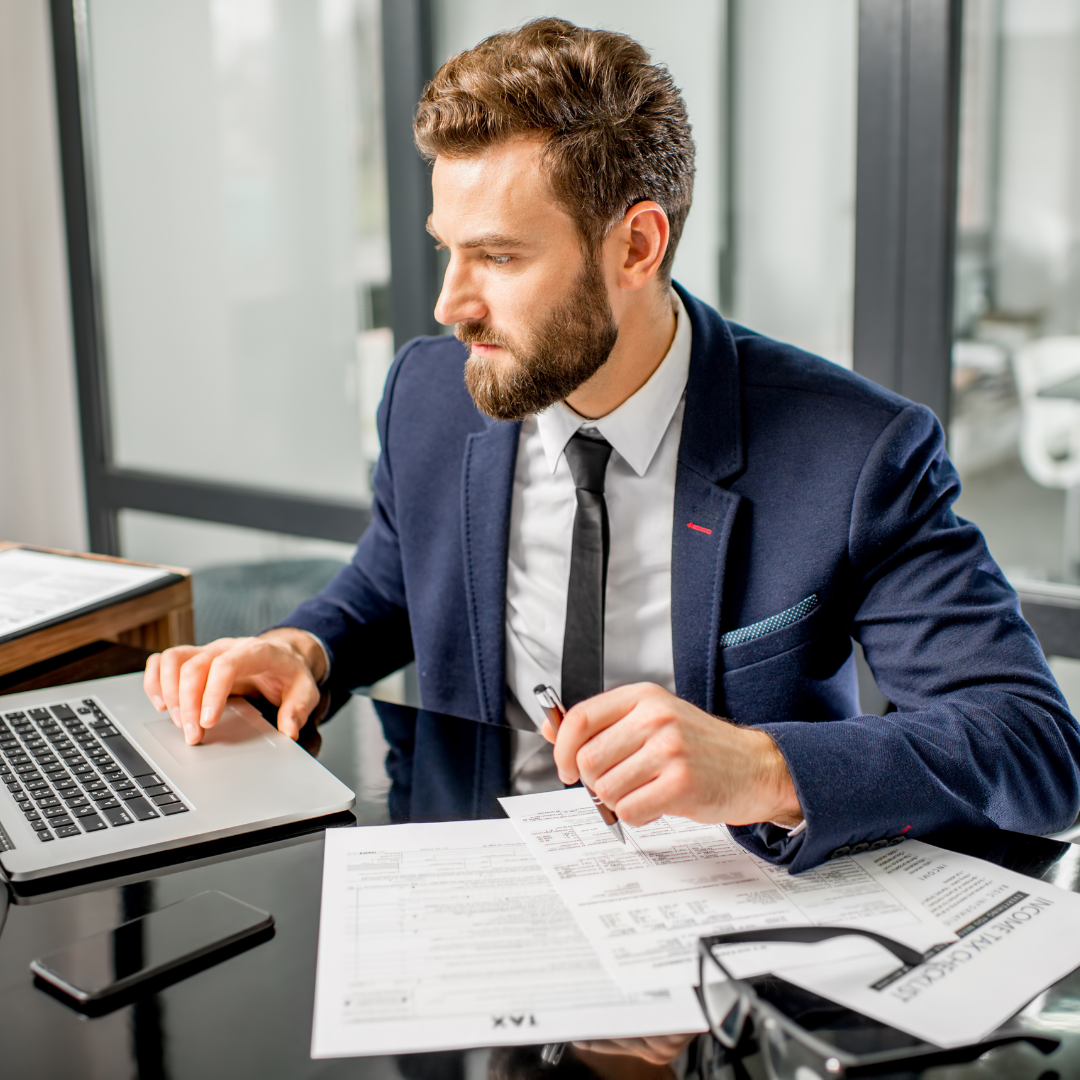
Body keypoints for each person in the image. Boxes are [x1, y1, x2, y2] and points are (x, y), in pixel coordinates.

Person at [144, 18, 1080, 874]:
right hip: (471, 882)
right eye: (447, 250)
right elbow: (392, 581)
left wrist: (760, 765)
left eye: (500, 257)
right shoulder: (431, 393)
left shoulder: (856, 452)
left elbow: (1035, 749)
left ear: (636, 246)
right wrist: (304, 646)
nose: (449, 306)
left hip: (729, 924)